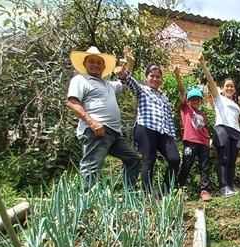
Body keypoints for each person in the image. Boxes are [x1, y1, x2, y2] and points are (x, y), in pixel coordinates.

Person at [66, 46, 140, 193]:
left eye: (99, 62)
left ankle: (129, 196)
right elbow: (73, 103)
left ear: (104, 66)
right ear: (85, 64)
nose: (95, 65)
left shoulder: (108, 85)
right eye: (91, 61)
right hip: (97, 130)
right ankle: (87, 199)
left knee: (133, 159)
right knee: (92, 165)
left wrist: (130, 62)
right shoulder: (81, 80)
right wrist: (92, 123)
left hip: (114, 134)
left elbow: (124, 82)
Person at [115, 49, 180, 197]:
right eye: (152, 76)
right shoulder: (142, 90)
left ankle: (166, 191)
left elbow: (168, 118)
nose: (155, 79)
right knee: (149, 159)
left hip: (164, 132)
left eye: (158, 77)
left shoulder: (164, 97)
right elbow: (130, 83)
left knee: (174, 159)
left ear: (161, 79)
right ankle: (147, 194)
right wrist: (125, 70)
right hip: (146, 128)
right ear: (146, 78)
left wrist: (172, 137)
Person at [198, 53, 240, 197]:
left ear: (234, 89)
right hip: (222, 128)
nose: (229, 88)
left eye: (232, 87)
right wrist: (204, 65)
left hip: (236, 131)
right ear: (222, 88)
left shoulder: (235, 104)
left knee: (232, 161)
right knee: (223, 158)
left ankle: (230, 186)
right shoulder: (219, 99)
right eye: (227, 86)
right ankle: (223, 187)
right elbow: (210, 81)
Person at [175, 68, 212, 202]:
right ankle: (179, 188)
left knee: (204, 167)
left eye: (198, 100)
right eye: (193, 99)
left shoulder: (202, 115)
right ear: (188, 101)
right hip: (190, 142)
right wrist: (178, 76)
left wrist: (209, 140)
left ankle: (204, 190)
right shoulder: (185, 109)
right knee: (187, 165)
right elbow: (182, 91)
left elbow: (204, 128)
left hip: (204, 143)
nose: (196, 102)